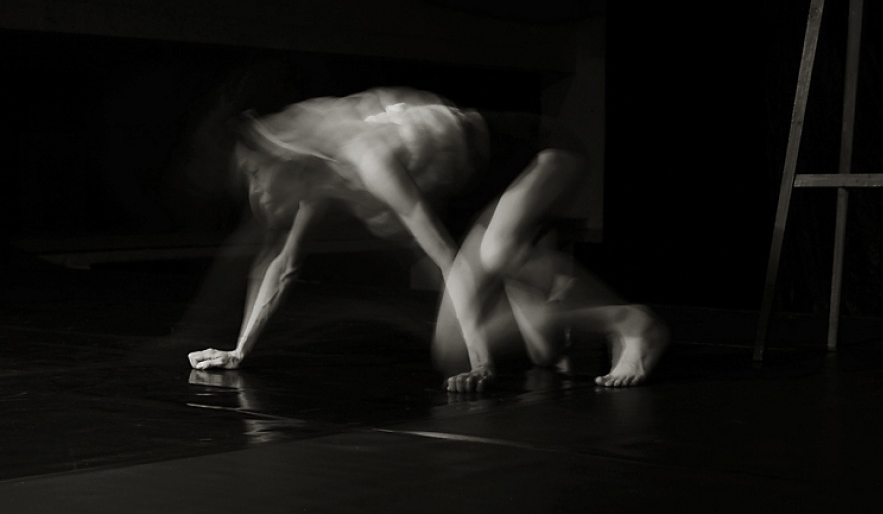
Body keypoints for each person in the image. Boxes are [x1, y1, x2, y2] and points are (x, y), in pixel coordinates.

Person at [187, 86, 670, 392]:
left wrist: (483, 365)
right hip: (494, 196)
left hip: (543, 153)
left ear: (283, 161)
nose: (255, 192)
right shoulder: (318, 181)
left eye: (256, 175)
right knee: (458, 351)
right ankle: (551, 288)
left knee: (496, 254)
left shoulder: (369, 162)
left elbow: (443, 257)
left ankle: (631, 322)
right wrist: (239, 351)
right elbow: (281, 264)